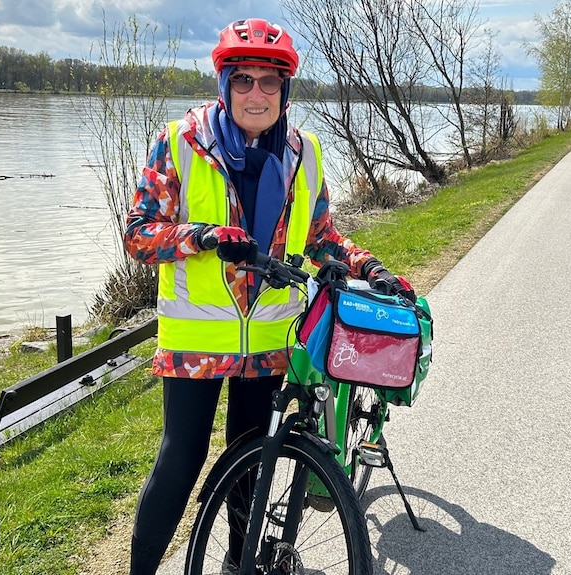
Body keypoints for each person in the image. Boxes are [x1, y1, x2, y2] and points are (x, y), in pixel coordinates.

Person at [122, 18, 415, 575]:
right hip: (196, 343)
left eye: (269, 82)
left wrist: (369, 265)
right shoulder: (180, 143)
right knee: (179, 463)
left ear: (286, 91)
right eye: (243, 81)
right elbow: (138, 233)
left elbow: (320, 236)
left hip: (268, 340)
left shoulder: (305, 152)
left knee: (252, 460)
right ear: (224, 84)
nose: (256, 94)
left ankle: (240, 562)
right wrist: (198, 237)